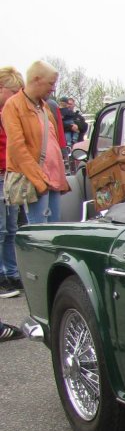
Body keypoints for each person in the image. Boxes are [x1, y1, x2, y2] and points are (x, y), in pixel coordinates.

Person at [1, 60, 68, 224]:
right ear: (37, 79)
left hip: (52, 180)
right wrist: (39, 180)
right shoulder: (14, 106)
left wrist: (60, 177)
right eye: (50, 83)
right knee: (39, 230)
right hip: (36, 181)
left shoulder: (44, 107)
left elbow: (53, 141)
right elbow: (18, 148)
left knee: (54, 228)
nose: (53, 88)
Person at [0, 66, 25, 297]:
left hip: (8, 175)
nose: (16, 96)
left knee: (11, 228)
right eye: (13, 91)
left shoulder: (10, 113)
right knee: (1, 229)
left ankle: (11, 272)